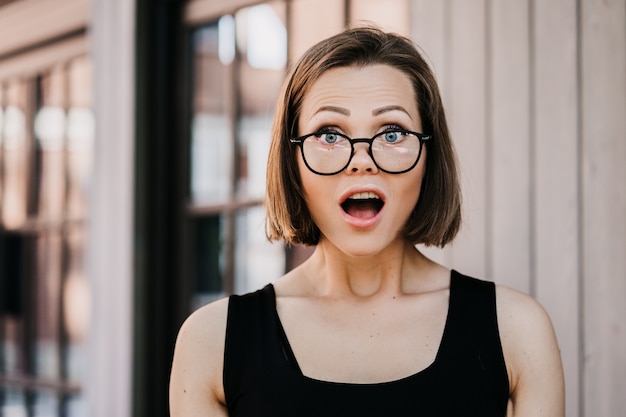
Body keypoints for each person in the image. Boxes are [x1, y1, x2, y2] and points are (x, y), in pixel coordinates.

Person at [169, 26, 565, 416]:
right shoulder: (211, 342)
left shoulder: (517, 332)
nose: (362, 160)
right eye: (329, 134)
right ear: (292, 162)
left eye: (392, 133)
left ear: (429, 156)